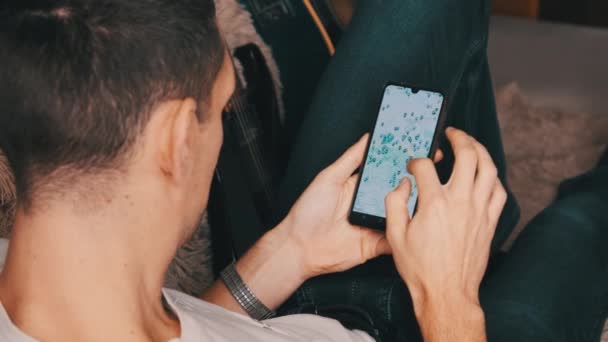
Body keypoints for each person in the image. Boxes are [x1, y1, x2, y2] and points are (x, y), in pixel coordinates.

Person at [0, 1, 606, 342]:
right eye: (221, 104)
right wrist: (448, 300)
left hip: (301, 293)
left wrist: (292, 249)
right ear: (179, 138)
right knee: (585, 221)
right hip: (439, 323)